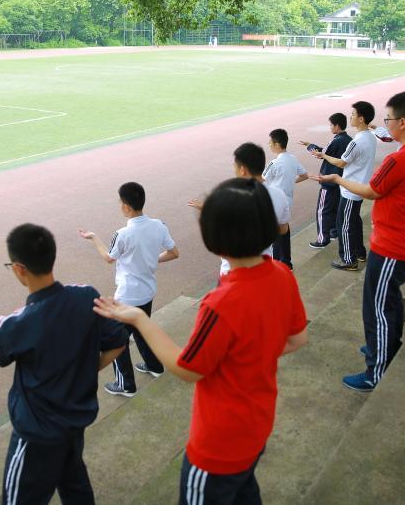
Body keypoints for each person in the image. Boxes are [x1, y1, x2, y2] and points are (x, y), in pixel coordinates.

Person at [93, 178, 308, 503]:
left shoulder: (220, 303)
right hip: (258, 422)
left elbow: (188, 369)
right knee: (244, 489)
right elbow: (297, 337)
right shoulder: (282, 275)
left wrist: (137, 318)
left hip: (218, 443)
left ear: (215, 239)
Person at [0, 224, 127, 504]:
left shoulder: (21, 322)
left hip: (36, 435)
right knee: (75, 485)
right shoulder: (86, 296)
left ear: (19, 268)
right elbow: (118, 342)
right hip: (75, 423)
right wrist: (85, 369)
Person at [315, 91, 405, 392]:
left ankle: (376, 369)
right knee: (389, 300)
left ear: (403, 122)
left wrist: (337, 179)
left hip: (393, 245)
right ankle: (386, 347)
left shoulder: (400, 159)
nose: (384, 124)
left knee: (377, 307)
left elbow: (372, 191)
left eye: (389, 119)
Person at [78, 182, 179, 397]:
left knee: (117, 340)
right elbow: (173, 252)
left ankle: (125, 384)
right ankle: (154, 365)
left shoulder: (122, 234)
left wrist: (94, 237)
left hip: (126, 296)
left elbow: (108, 258)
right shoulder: (159, 225)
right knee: (142, 330)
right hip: (147, 292)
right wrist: (150, 260)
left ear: (125, 206)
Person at [189, 142, 291, 279]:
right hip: (264, 267)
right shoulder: (279, 195)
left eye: (235, 167)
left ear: (242, 170)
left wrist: (209, 209)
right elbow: (283, 230)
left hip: (231, 272)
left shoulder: (231, 198)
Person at [310, 102, 377, 271]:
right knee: (353, 221)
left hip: (351, 189)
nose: (351, 117)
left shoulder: (357, 141)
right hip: (359, 187)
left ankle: (348, 259)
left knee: (344, 224)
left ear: (361, 119)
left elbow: (341, 162)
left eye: (353, 114)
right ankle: (359, 252)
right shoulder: (370, 136)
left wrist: (324, 155)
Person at [300, 113, 352, 249]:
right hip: (339, 180)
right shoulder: (348, 140)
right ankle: (334, 232)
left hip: (328, 180)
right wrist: (309, 144)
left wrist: (310, 147)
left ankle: (322, 239)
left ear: (337, 126)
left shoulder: (336, 140)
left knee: (322, 210)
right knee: (334, 208)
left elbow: (321, 153)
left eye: (331, 125)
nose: (330, 128)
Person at [263, 129, 309, 269]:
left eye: (270, 142)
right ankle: (287, 262)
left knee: (275, 234)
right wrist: (290, 182)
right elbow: (305, 175)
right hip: (287, 201)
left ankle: (275, 264)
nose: (269, 144)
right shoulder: (292, 159)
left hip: (274, 202)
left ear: (277, 144)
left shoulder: (274, 163)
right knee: (284, 230)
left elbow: (262, 180)